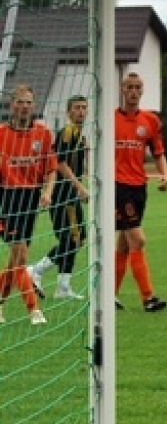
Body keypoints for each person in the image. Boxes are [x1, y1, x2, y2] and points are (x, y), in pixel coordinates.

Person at [114, 72, 167, 312]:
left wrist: (165, 174)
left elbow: (158, 152)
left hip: (139, 187)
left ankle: (109, 296)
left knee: (125, 245)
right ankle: (148, 298)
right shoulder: (109, 119)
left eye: (138, 87)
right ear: (122, 90)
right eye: (129, 87)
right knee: (138, 239)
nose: (134, 92)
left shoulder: (150, 121)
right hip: (118, 187)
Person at [0, 85, 56, 325]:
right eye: (20, 102)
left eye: (28, 103)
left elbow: (52, 169)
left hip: (31, 198)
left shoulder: (43, 134)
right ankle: (34, 309)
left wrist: (47, 192)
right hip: (7, 197)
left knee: (17, 259)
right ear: (12, 105)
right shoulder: (1, 133)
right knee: (20, 254)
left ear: (34, 106)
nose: (24, 107)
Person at [30, 95, 90, 300]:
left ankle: (63, 287)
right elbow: (61, 163)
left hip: (70, 194)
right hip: (63, 195)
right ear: (68, 111)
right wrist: (79, 186)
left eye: (84, 107)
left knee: (78, 238)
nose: (81, 111)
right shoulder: (68, 132)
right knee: (72, 239)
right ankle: (36, 270)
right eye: (77, 108)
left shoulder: (79, 134)